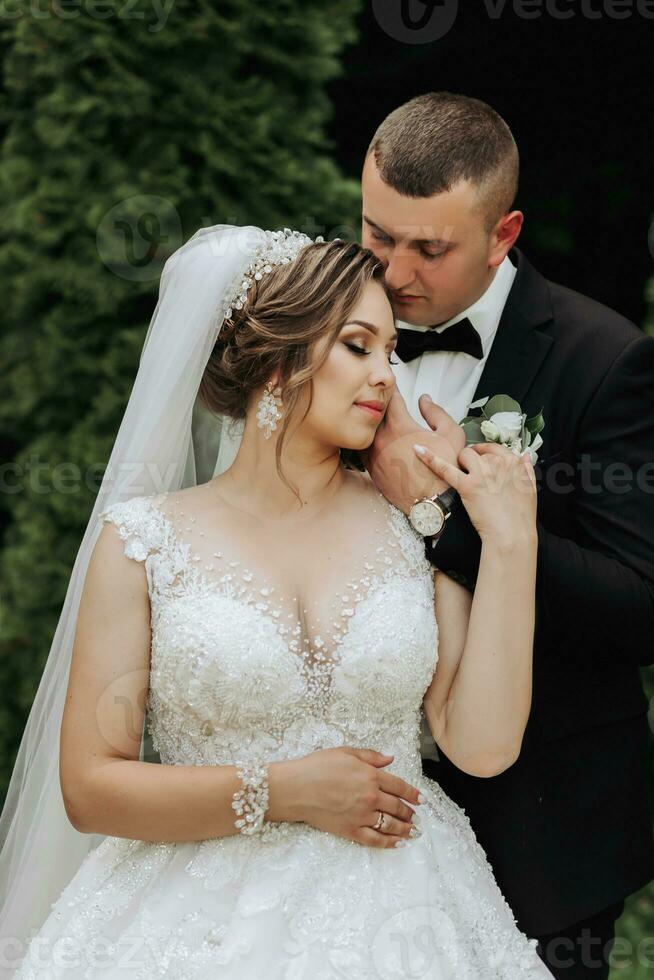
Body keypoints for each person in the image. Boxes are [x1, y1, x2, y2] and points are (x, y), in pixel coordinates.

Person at [0, 224, 550, 978]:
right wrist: (284, 792)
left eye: (390, 352)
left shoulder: (416, 522)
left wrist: (511, 542)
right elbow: (91, 788)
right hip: (189, 924)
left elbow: (481, 746)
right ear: (277, 354)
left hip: (408, 909)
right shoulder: (144, 542)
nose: (386, 375)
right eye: (358, 345)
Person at [359, 91, 654, 979]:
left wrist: (440, 517)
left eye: (429, 248)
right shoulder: (317, 342)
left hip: (541, 828)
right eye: (378, 234)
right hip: (353, 804)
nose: (395, 270)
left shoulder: (604, 361)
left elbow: (638, 607)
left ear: (503, 232)